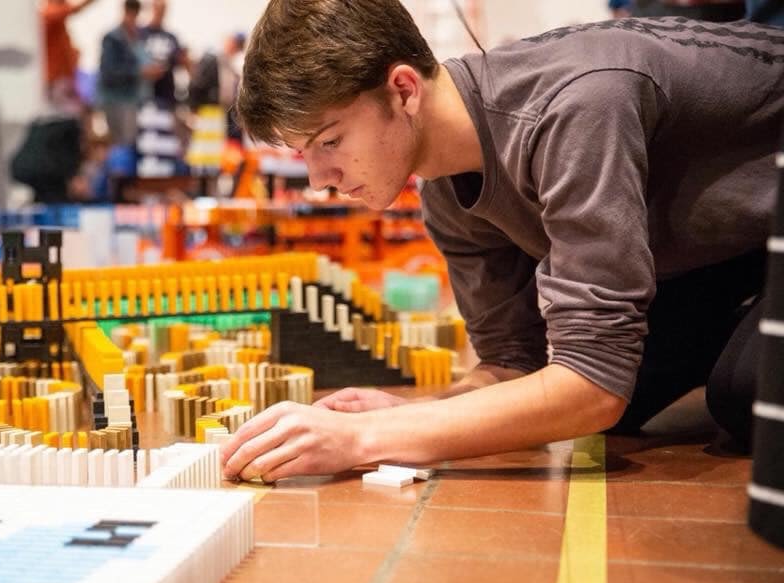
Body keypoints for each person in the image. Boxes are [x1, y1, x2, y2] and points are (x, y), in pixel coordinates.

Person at [220, 0, 784, 482]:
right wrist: (422, 410)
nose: (320, 179)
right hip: (732, 252)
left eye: (330, 141)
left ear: (402, 89)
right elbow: (519, 361)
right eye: (305, 154)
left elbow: (592, 388)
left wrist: (366, 436)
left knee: (744, 391)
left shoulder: (575, 107)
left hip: (754, 240)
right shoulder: (444, 185)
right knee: (609, 392)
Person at [98, 0, 159, 146]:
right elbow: (109, 72)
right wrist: (140, 72)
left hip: (138, 99)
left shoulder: (139, 37)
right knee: (124, 146)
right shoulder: (113, 39)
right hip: (119, 100)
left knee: (134, 145)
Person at [188, 31, 246, 141]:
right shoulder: (211, 61)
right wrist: (193, 109)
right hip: (210, 110)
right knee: (210, 144)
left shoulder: (234, 63)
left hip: (227, 112)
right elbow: (196, 84)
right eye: (234, 43)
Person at [40, 0, 98, 102]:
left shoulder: (58, 22)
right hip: (57, 79)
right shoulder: (50, 13)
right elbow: (72, 10)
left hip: (65, 78)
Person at [138, 0, 187, 108]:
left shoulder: (171, 37)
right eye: (157, 9)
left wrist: (184, 60)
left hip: (165, 93)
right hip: (143, 92)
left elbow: (179, 61)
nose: (160, 13)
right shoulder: (139, 33)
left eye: (163, 10)